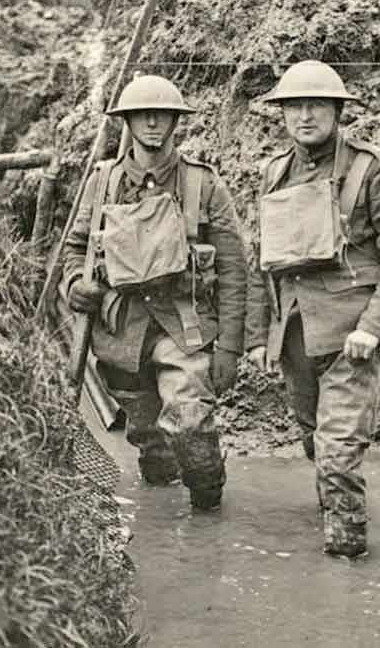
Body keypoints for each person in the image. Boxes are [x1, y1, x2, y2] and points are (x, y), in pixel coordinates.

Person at [244, 60, 380, 557]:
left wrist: (375, 327)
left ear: (337, 110)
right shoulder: (274, 172)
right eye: (294, 107)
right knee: (314, 438)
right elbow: (267, 262)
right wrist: (265, 333)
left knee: (338, 450)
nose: (305, 116)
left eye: (316, 105)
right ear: (282, 113)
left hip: (353, 339)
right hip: (297, 338)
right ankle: (333, 502)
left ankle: (347, 556)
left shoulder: (375, 170)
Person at [60, 74, 247, 512]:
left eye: (161, 115)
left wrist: (230, 349)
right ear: (126, 120)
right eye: (142, 115)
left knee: (189, 422)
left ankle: (208, 502)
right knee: (151, 445)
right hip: (120, 332)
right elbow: (74, 248)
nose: (151, 123)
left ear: (175, 121)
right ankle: (162, 509)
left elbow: (235, 270)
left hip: (181, 327)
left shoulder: (203, 185)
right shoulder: (102, 182)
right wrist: (76, 285)